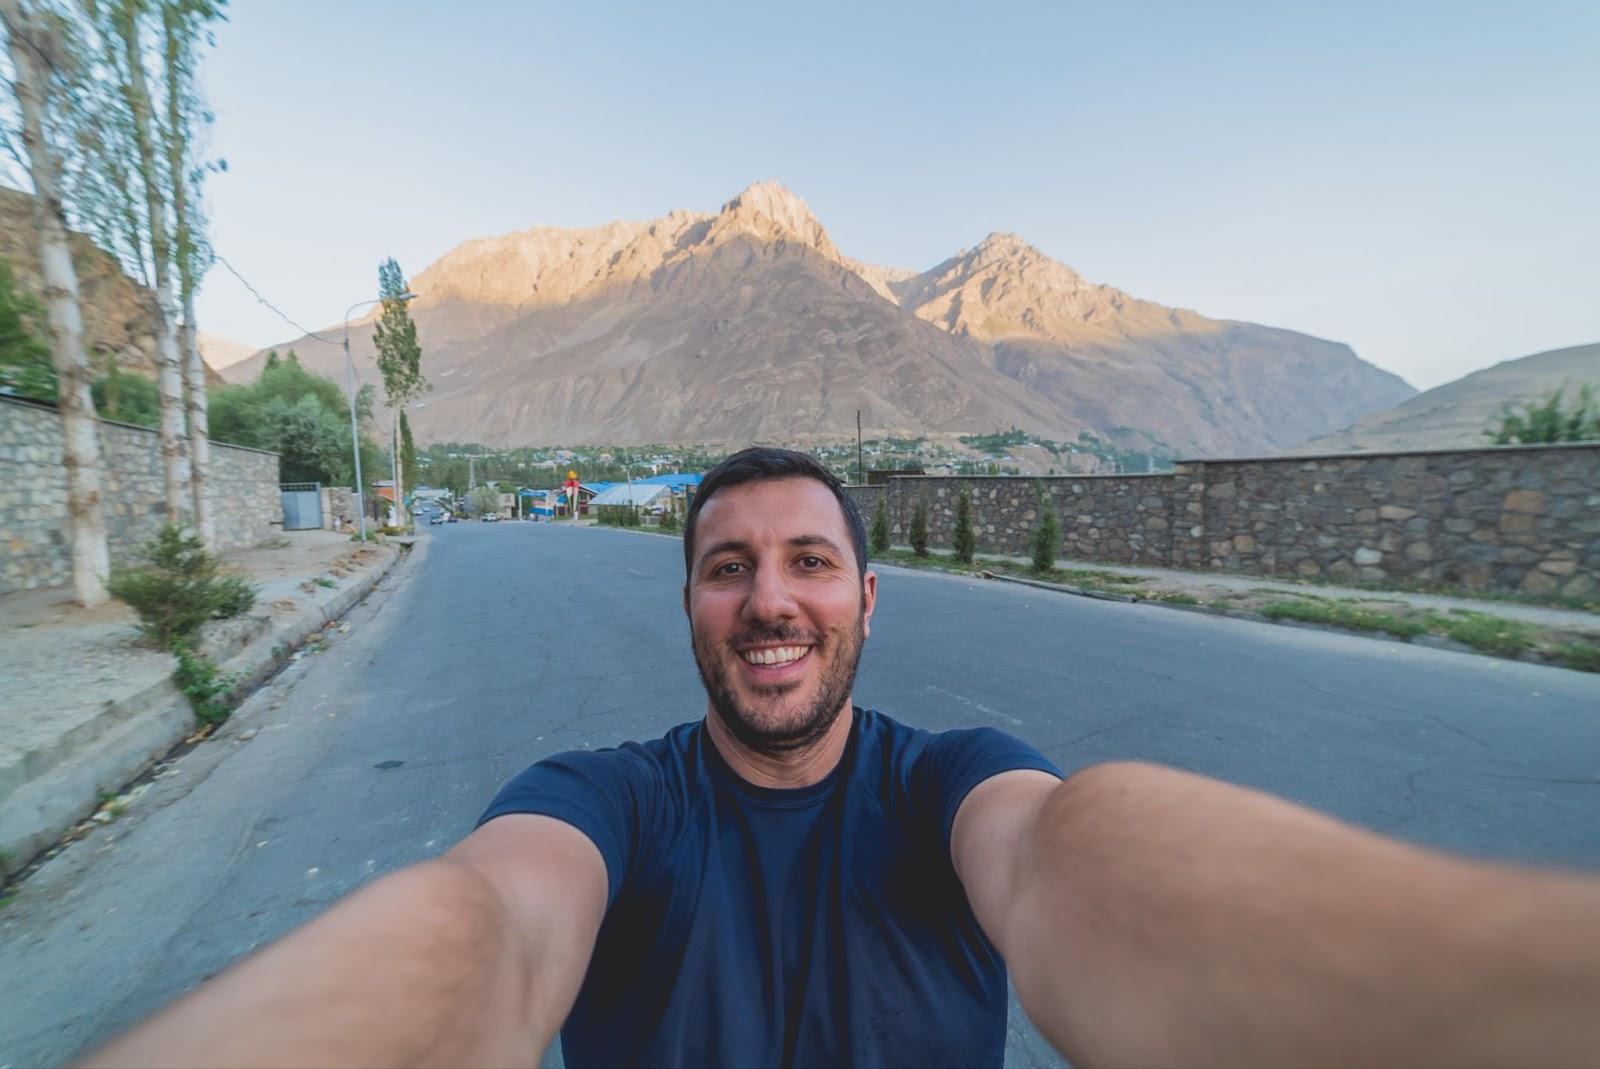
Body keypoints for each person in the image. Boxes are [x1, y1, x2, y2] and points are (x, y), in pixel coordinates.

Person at [85, 448, 1600, 1068]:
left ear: (865, 601)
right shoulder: (604, 801)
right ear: (688, 602)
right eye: (728, 565)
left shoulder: (957, 786)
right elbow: (482, 930)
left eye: (810, 561)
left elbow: (1083, 862)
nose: (769, 599)